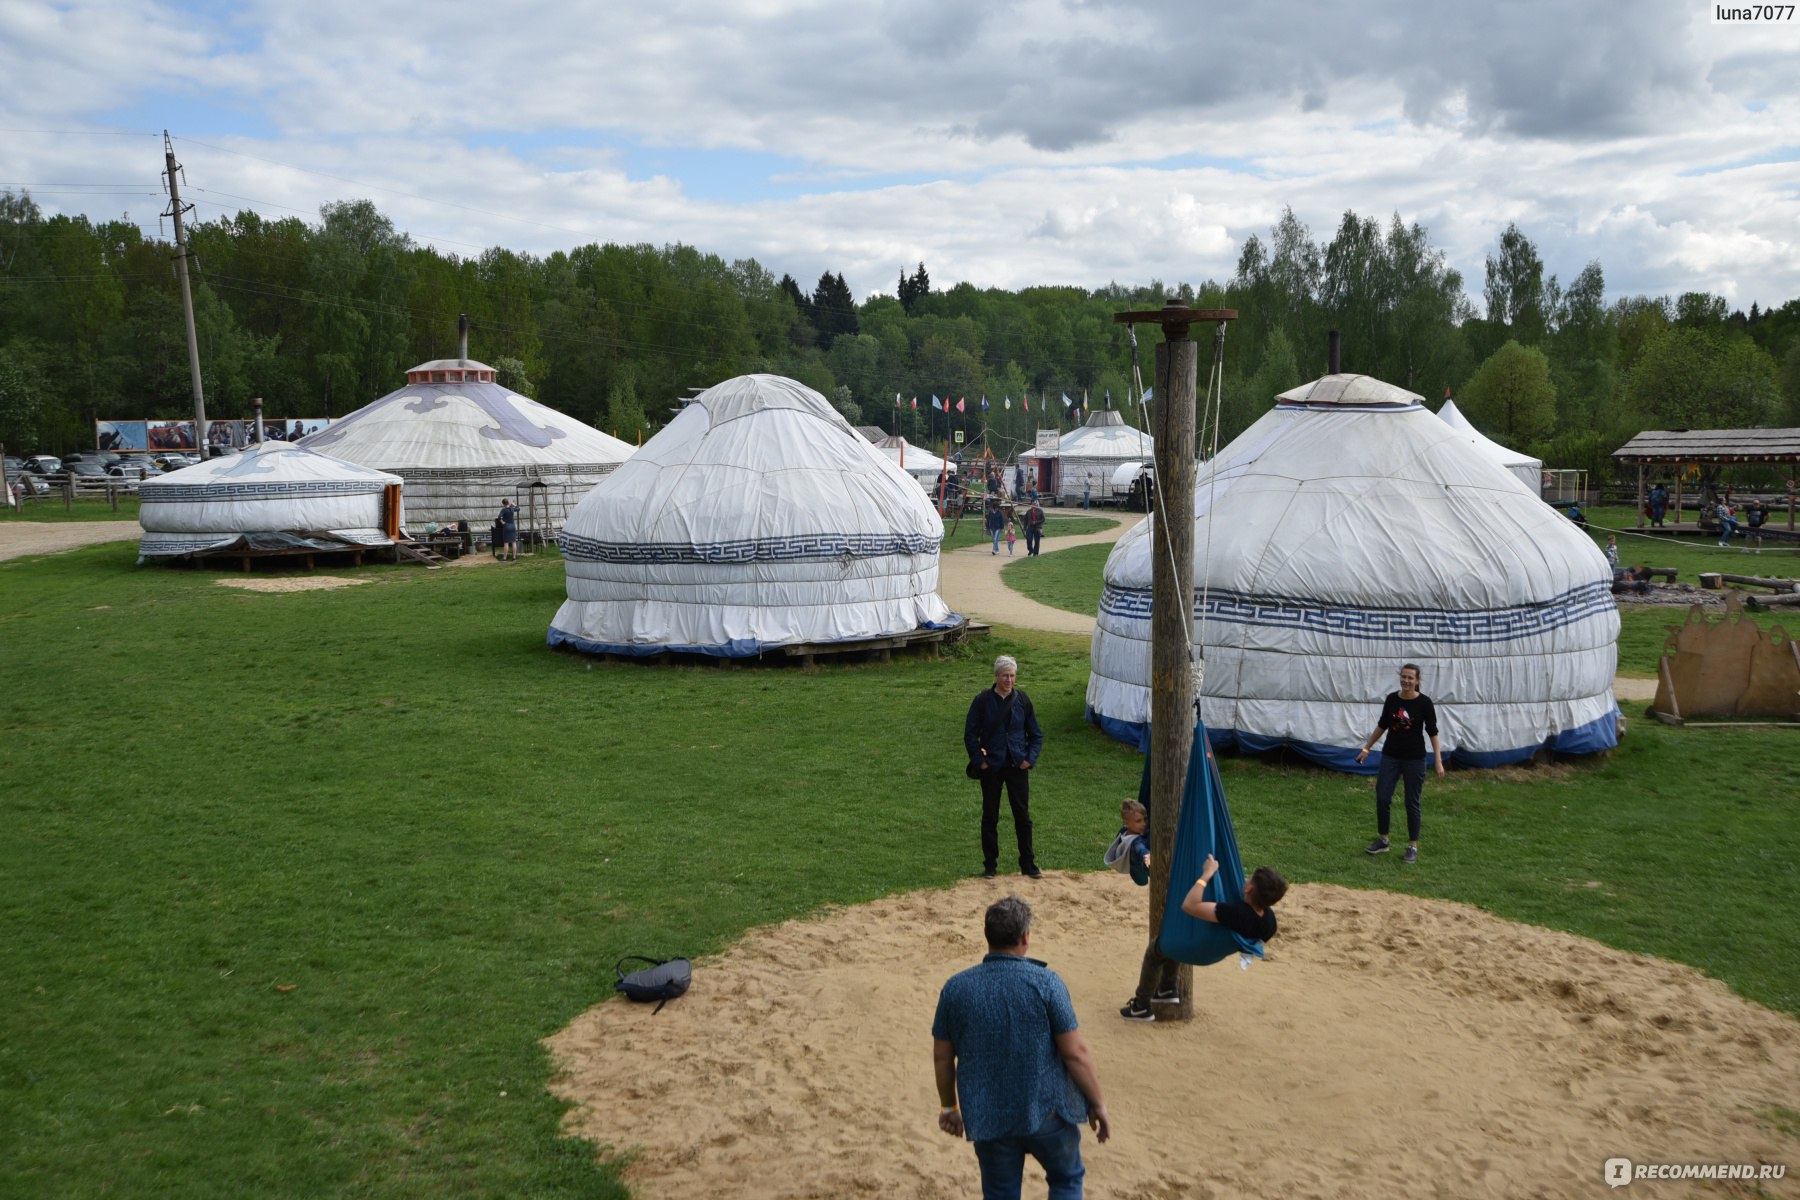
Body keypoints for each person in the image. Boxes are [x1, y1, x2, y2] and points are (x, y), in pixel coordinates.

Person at [933, 896, 1111, 1199]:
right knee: (1066, 1179)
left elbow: (942, 1057)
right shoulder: (1046, 983)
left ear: (988, 936)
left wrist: (949, 1107)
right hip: (1047, 1112)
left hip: (989, 1117)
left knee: (1001, 1192)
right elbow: (1075, 1053)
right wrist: (1098, 1103)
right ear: (1025, 937)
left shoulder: (956, 988)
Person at [1120, 855, 1288, 1021]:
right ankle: (1167, 988)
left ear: (1249, 889)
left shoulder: (1234, 913)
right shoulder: (1269, 922)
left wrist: (1206, 875)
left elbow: (1190, 905)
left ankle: (1141, 1006)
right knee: (1176, 935)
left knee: (1156, 949)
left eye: (1249, 880)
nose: (1246, 880)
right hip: (1215, 950)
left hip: (1201, 948)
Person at [1354, 663, 1444, 864]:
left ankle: (1412, 846)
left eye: (1411, 678)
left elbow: (1433, 732)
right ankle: (1383, 840)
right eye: (1403, 677)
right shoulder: (1392, 700)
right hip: (1391, 756)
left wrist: (1438, 760)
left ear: (1417, 681)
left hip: (1415, 758)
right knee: (1383, 797)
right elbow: (1382, 725)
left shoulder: (1424, 703)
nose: (1406, 681)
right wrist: (1366, 748)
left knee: (1411, 803)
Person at [964, 655, 1044, 879]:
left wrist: (1030, 758)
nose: (1009, 680)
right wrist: (981, 761)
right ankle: (990, 865)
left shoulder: (1023, 701)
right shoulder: (982, 701)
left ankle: (1028, 864)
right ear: (996, 676)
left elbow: (1036, 734)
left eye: (1012, 676)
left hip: (1017, 765)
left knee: (1023, 816)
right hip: (992, 767)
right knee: (990, 816)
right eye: (1005, 675)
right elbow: (970, 735)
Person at [1102, 799, 1150, 884]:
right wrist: (1146, 855)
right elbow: (1140, 848)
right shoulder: (1136, 842)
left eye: (1145, 819)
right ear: (1126, 823)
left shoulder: (1124, 830)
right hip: (1138, 869)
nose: (1143, 824)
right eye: (1138, 821)